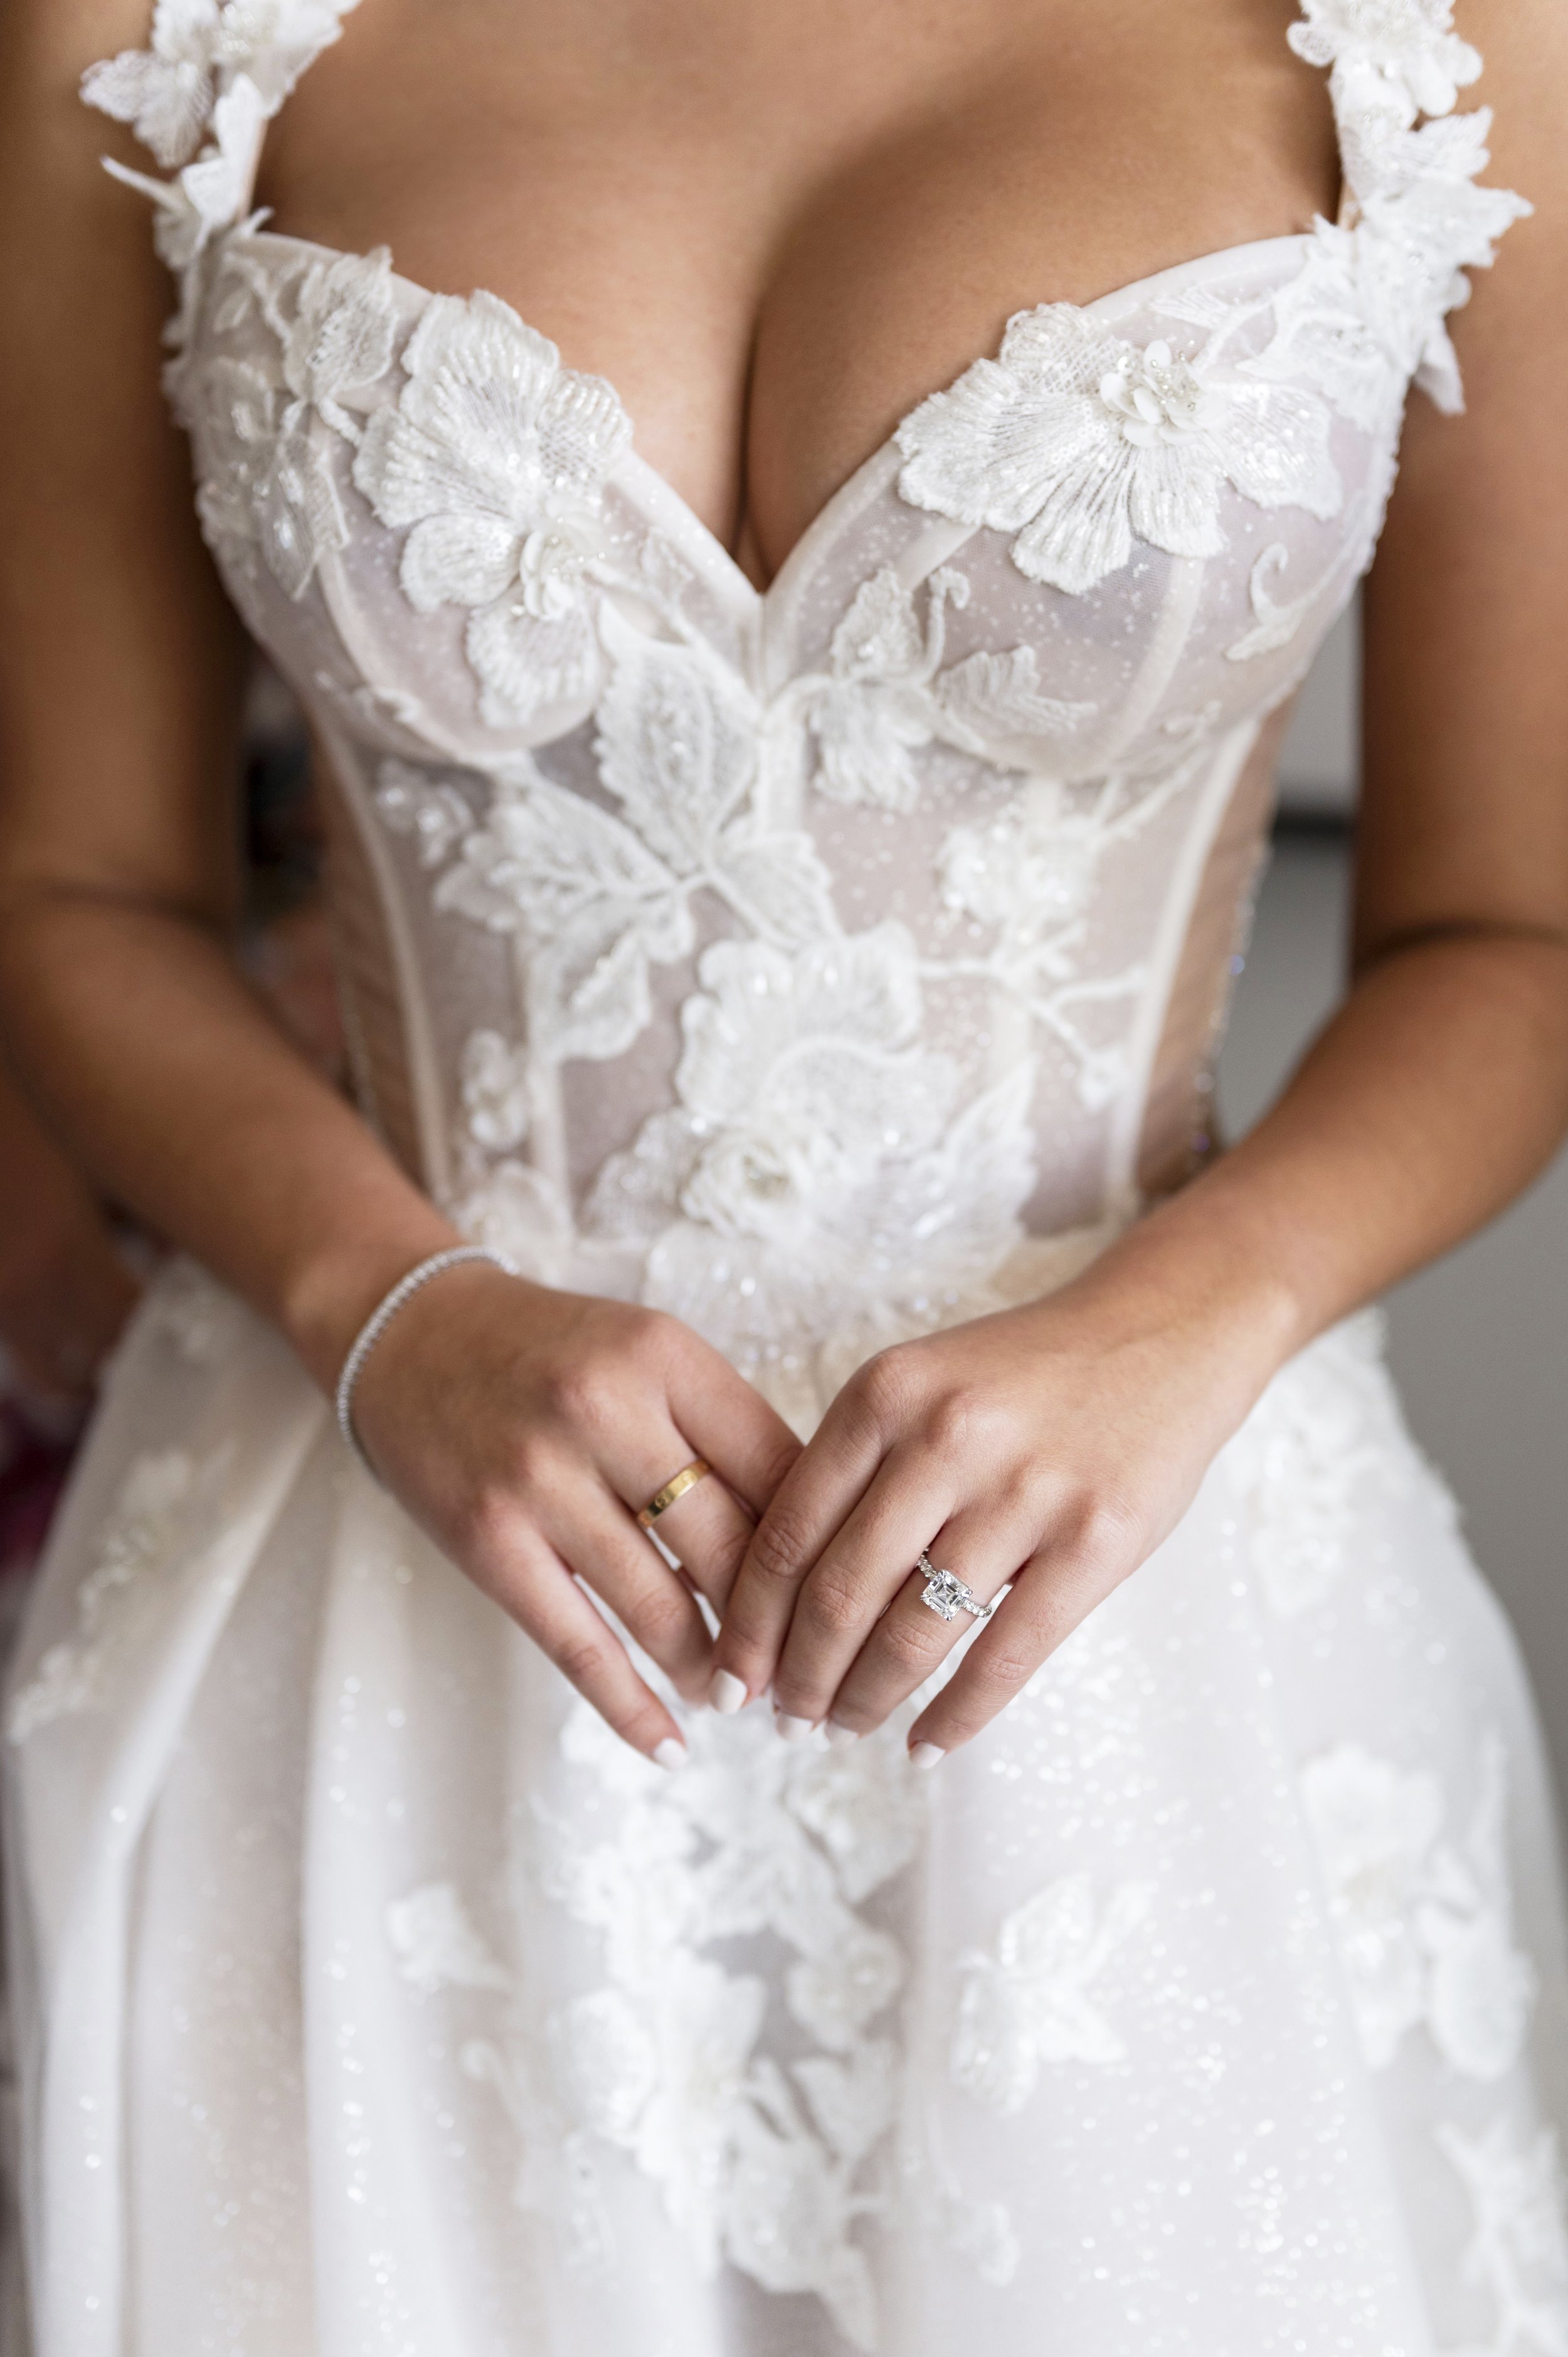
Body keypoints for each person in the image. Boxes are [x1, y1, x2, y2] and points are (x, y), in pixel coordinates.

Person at [1, 0, 1566, 2347]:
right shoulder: (144, 30)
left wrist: (1196, 1311)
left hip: (1146, 1638)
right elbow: (72, 888)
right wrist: (381, 1307)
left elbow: (1510, 931)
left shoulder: (1450, 31)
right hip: (379, 1597)